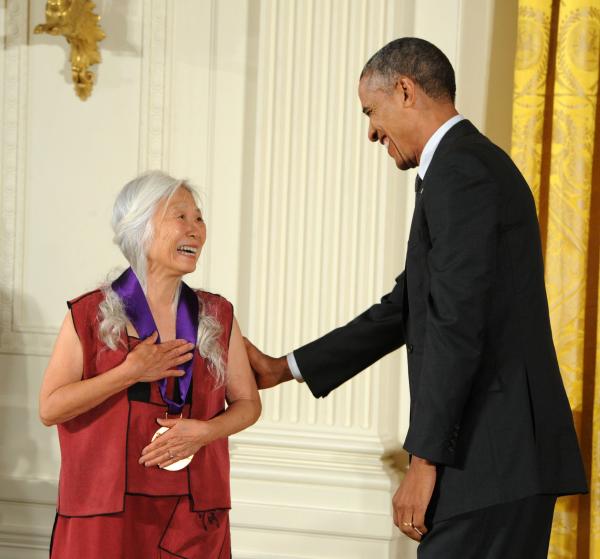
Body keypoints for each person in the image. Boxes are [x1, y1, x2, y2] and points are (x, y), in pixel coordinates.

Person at [244, 37, 588, 558]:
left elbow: (456, 322)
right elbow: (406, 306)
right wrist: (284, 367)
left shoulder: (461, 172)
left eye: (371, 111)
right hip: (496, 463)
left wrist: (423, 462)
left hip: (488, 461)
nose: (370, 131)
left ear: (404, 90)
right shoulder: (463, 167)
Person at [40, 171, 261, 558]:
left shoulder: (217, 314)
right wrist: (129, 372)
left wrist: (205, 432)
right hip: (102, 508)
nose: (195, 230)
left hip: (192, 509)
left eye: (199, 218)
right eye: (180, 217)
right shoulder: (90, 313)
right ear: (140, 227)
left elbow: (248, 403)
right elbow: (50, 407)